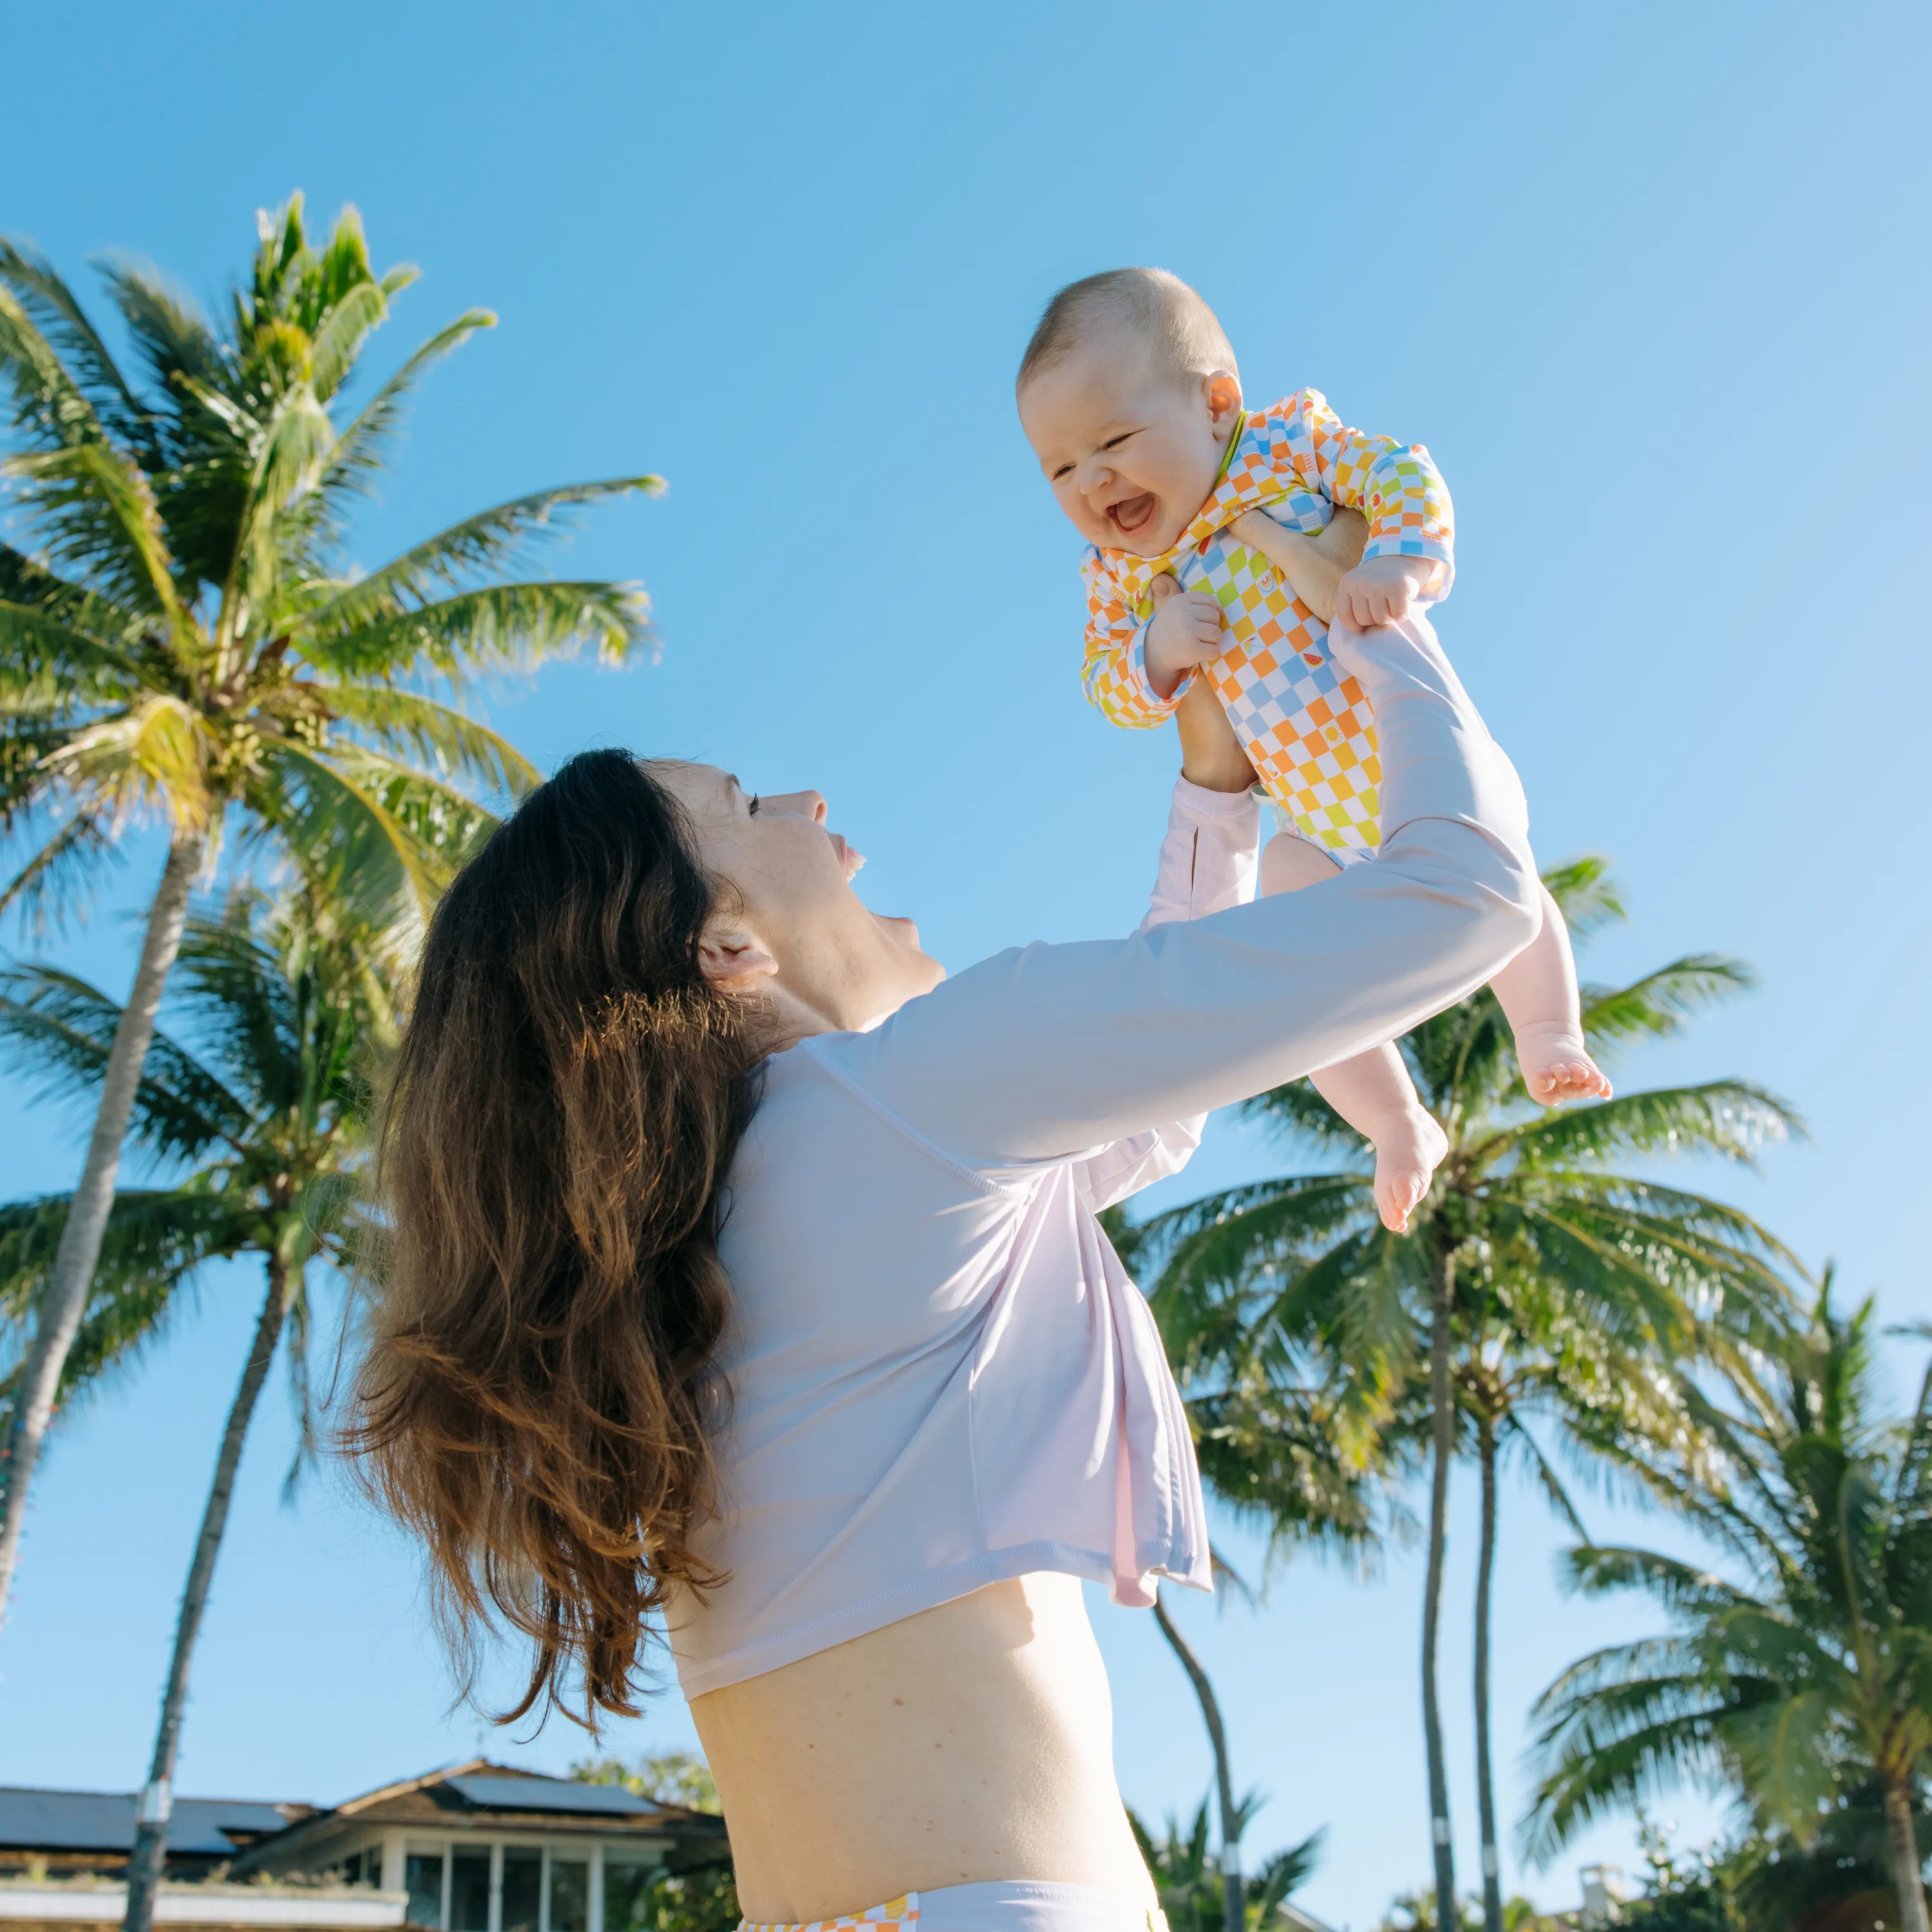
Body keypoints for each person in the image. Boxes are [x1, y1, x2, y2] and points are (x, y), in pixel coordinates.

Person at [351, 594, 1540, 1932]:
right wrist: (1381, 617)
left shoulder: (687, 1252)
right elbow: (1464, 897)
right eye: (746, 803)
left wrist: (1218, 790)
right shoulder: (907, 1100)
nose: (805, 801)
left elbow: (1143, 1116)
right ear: (725, 950)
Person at [1016, 266, 1610, 1234]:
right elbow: (1107, 684)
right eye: (1060, 469)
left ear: (1216, 407)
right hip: (1319, 822)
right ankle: (1396, 1121)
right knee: (1291, 950)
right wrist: (1154, 653)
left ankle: (1548, 1030)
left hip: (1410, 747)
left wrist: (1400, 560)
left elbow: (1399, 470)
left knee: (1506, 873)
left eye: (1115, 442)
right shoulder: (1124, 574)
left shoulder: (1283, 450)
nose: (1093, 482)